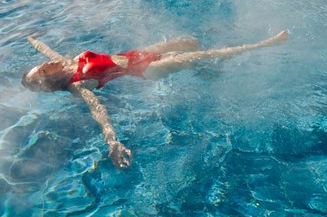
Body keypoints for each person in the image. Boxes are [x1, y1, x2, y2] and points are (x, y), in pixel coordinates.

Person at [21, 30, 290, 168]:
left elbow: (46, 48)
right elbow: (98, 110)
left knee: (190, 41)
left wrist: (33, 41)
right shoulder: (78, 85)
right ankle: (266, 44)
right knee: (205, 54)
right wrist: (113, 142)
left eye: (42, 64)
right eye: (44, 69)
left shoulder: (65, 63)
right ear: (49, 80)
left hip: (138, 54)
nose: (46, 62)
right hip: (147, 69)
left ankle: (208, 76)